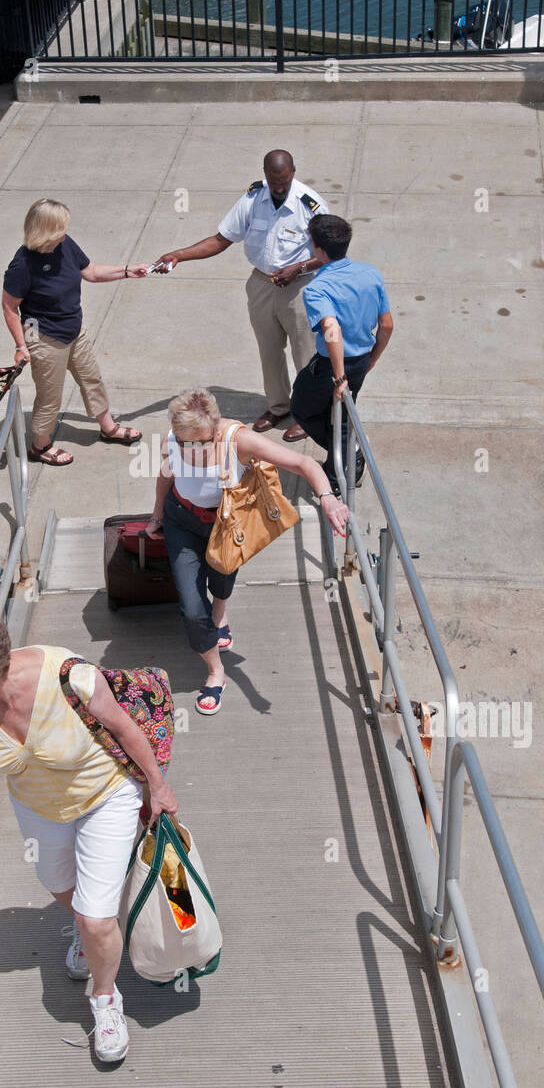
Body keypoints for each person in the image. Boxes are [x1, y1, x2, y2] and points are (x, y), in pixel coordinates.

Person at [0, 608, 178, 1063]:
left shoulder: (70, 677)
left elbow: (124, 728)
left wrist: (157, 786)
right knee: (62, 889)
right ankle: (87, 928)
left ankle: (105, 998)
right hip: (39, 807)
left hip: (105, 795)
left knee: (97, 918)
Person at [144, 388, 350, 716]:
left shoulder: (237, 440)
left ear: (214, 429)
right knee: (192, 609)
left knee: (222, 580)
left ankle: (221, 611)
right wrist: (156, 516)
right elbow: (165, 475)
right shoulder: (176, 436)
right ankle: (215, 671)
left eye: (200, 443)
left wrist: (328, 499)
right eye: (185, 443)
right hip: (181, 520)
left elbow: (304, 462)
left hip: (226, 523)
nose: (191, 450)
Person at [154, 150, 330, 443]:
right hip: (261, 283)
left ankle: (309, 415)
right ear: (265, 173)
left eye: (284, 181)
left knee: (306, 355)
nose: (278, 188)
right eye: (274, 181)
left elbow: (329, 253)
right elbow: (221, 239)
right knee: (269, 351)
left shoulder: (310, 206)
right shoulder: (252, 199)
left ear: (293, 173)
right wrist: (178, 255)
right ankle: (278, 407)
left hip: (300, 288)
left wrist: (298, 267)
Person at [2, 199, 147, 465]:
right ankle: (40, 446)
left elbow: (90, 272)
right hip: (43, 336)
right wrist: (21, 347)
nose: (65, 232)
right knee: (50, 394)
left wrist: (126, 271)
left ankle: (109, 428)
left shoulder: (65, 245)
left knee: (92, 379)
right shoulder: (22, 264)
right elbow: (10, 307)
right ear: (45, 230)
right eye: (60, 228)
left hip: (73, 330)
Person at [290, 215, 393, 495]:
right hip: (360, 359)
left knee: (301, 407)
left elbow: (331, 329)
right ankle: (341, 470)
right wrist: (371, 360)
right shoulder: (371, 273)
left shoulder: (317, 288)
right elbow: (387, 325)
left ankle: (348, 456)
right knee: (344, 417)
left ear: (319, 250)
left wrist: (339, 378)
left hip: (331, 366)